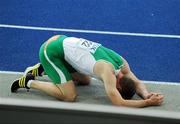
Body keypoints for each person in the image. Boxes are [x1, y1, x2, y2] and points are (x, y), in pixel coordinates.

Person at [11, 35, 164, 107]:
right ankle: (29, 81)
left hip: (60, 41)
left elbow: (136, 82)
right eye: (116, 90)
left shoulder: (121, 64)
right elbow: (119, 102)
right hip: (49, 51)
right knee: (69, 96)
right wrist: (147, 102)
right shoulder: (108, 73)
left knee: (86, 81)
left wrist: (146, 93)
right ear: (119, 86)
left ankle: (44, 69)